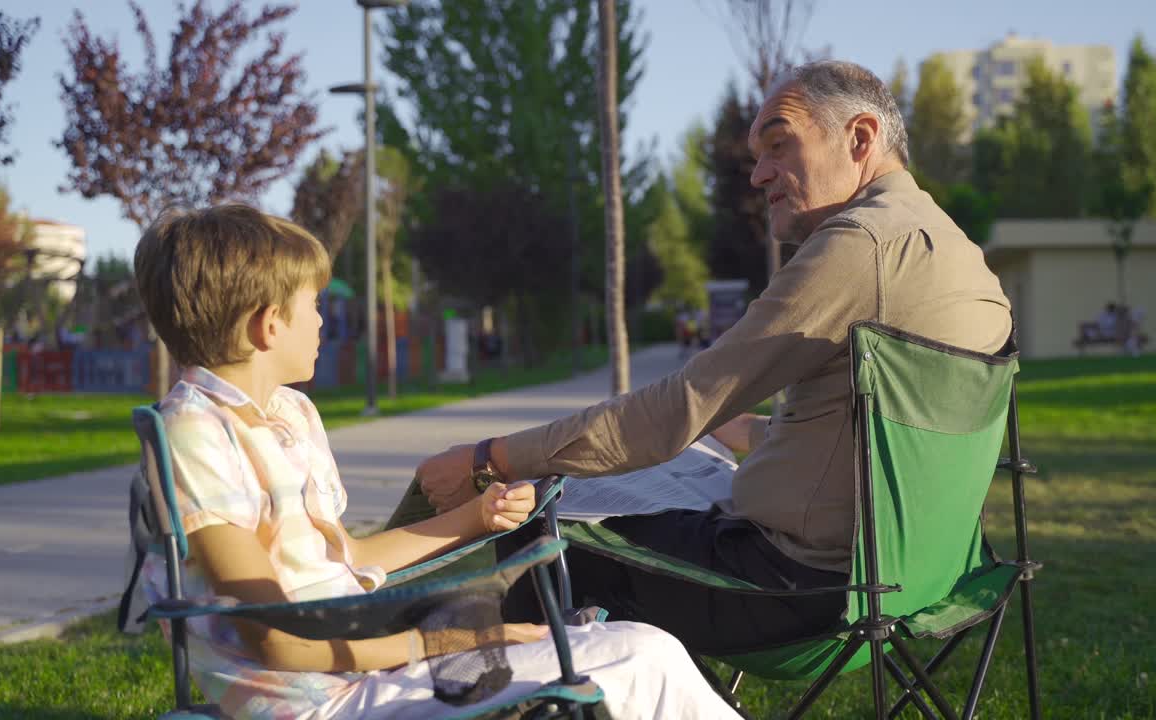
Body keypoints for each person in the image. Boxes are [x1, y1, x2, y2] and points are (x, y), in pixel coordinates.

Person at [413, 60, 1013, 656]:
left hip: (795, 593)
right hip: (916, 585)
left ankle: (538, 694)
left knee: (532, 520)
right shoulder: (963, 257)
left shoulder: (859, 243)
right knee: (664, 480)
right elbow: (881, 438)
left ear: (859, 139)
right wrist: (747, 429)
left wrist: (490, 458)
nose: (758, 175)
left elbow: (671, 412)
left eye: (779, 144)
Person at [133, 205, 735, 720]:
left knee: (637, 648)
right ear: (269, 325)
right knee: (639, 657)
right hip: (323, 699)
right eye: (313, 304)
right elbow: (279, 638)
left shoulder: (287, 414)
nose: (322, 320)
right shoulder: (196, 433)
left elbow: (353, 558)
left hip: (360, 664)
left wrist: (478, 516)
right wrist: (453, 641)